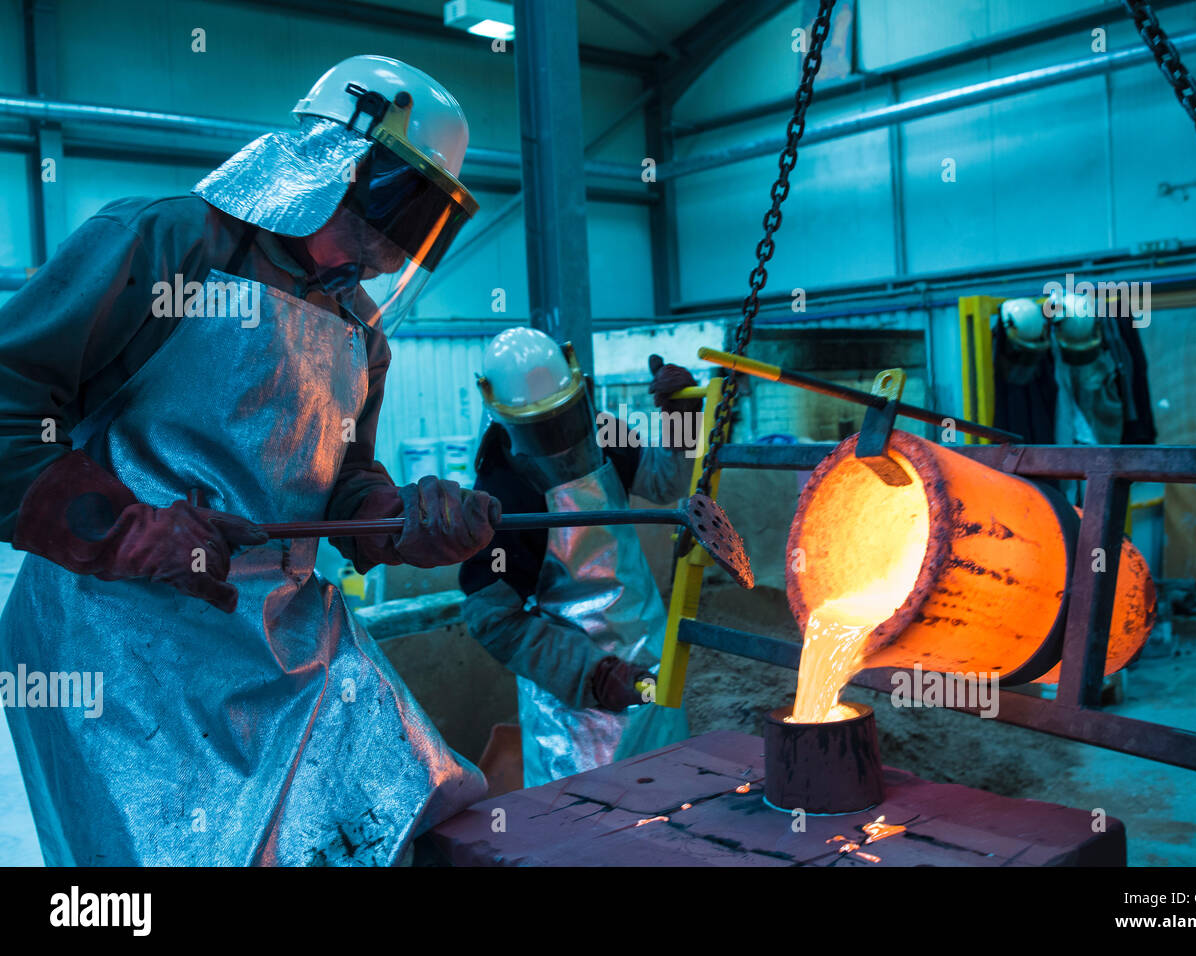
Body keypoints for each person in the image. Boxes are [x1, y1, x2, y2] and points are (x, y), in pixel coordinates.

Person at [0, 55, 501, 866]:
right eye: (401, 208)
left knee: (402, 804)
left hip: (278, 637)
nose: (390, 249)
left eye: (423, 227)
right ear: (336, 159)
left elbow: (343, 491)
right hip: (118, 653)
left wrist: (409, 521)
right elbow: (7, 402)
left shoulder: (361, 335)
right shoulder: (169, 243)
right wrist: (130, 529)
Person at [459, 327, 701, 786]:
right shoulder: (503, 493)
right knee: (589, 833)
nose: (563, 440)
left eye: (565, 415)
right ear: (503, 416)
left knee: (674, 798)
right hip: (579, 711)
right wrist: (594, 674)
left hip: (649, 660)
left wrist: (682, 419)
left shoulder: (603, 431)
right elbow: (491, 620)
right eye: (541, 424)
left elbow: (665, 484)